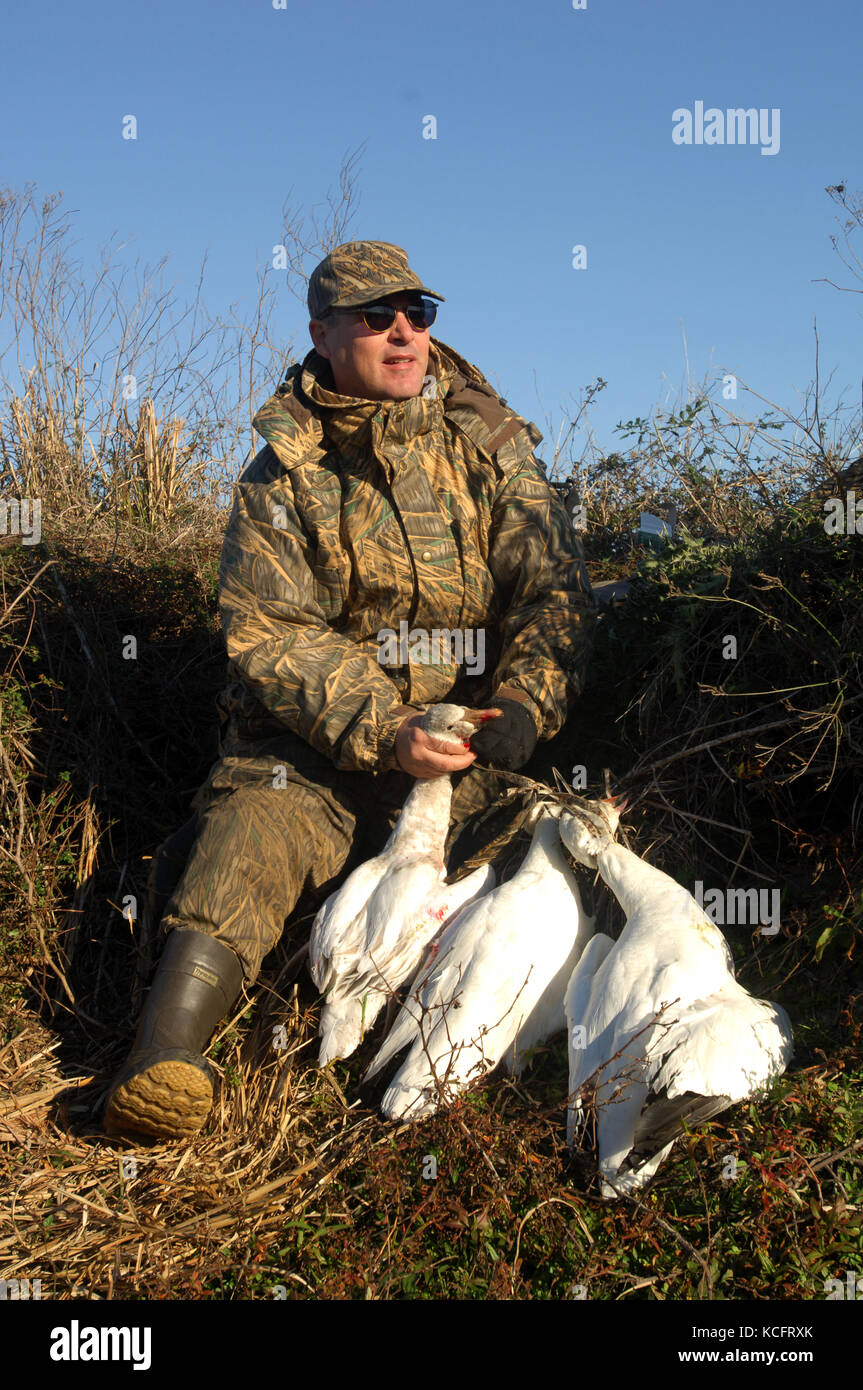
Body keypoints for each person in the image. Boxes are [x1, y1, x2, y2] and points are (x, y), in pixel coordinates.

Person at [103, 240, 597, 1141]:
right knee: (248, 831)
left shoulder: (489, 445)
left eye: (418, 313)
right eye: (376, 316)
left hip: (468, 747)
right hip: (316, 753)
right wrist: (386, 729)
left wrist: (525, 706)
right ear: (323, 335)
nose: (403, 331)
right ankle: (160, 1059)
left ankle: (498, 1087)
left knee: (563, 866)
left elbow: (553, 593)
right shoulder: (279, 477)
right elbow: (269, 630)